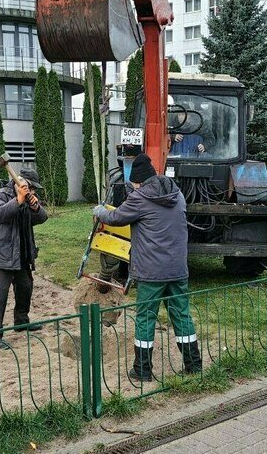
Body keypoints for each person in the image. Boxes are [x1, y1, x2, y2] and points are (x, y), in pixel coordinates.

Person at [93, 153, 202, 380]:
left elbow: (116, 218)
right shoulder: (177, 194)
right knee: (182, 315)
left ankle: (142, 370)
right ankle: (194, 365)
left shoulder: (140, 198)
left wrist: (100, 211)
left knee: (145, 319)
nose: (133, 187)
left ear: (139, 182)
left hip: (152, 272)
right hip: (177, 269)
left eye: (134, 184)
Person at [0, 168, 48, 350]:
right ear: (21, 183)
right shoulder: (0, 195)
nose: (34, 192)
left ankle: (21, 321)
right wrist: (17, 200)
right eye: (32, 188)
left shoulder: (29, 199)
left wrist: (35, 207)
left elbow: (42, 218)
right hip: (2, 255)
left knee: (25, 288)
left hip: (21, 255)